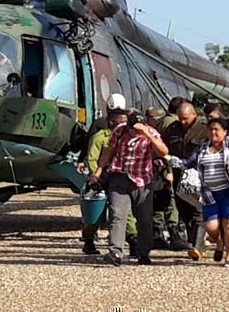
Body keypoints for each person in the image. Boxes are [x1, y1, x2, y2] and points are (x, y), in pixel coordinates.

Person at [91, 111, 169, 266]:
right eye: (131, 128)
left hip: (143, 180)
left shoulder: (151, 133)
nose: (133, 132)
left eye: (136, 129)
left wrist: (146, 134)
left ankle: (143, 252)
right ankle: (115, 252)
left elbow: (163, 152)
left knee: (144, 219)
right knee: (117, 215)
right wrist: (98, 171)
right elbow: (109, 151)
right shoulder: (120, 131)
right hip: (120, 177)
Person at [172, 118, 229, 266]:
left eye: (217, 129)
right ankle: (221, 240)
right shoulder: (203, 148)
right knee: (212, 227)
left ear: (225, 131)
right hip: (209, 194)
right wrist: (168, 159)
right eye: (211, 129)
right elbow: (187, 163)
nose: (213, 132)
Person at [78, 111, 136, 255]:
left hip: (120, 179)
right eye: (119, 123)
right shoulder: (99, 138)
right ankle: (89, 239)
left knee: (124, 213)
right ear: (111, 123)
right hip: (102, 179)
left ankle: (133, 241)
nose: (123, 126)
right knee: (96, 213)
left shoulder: (129, 137)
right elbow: (92, 159)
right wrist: (95, 177)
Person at [162, 101, 209, 258]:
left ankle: (197, 245)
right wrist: (166, 170)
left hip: (199, 176)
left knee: (198, 210)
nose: (183, 122)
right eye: (180, 118)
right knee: (184, 210)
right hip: (177, 176)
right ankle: (192, 241)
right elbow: (163, 149)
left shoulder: (205, 131)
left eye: (186, 119)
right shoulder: (172, 129)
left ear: (194, 115)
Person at [145, 106, 187, 251]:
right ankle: (169, 233)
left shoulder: (162, 128)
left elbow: (165, 152)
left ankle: (165, 234)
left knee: (165, 200)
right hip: (158, 169)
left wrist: (168, 170)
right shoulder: (165, 126)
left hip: (161, 169)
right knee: (165, 201)